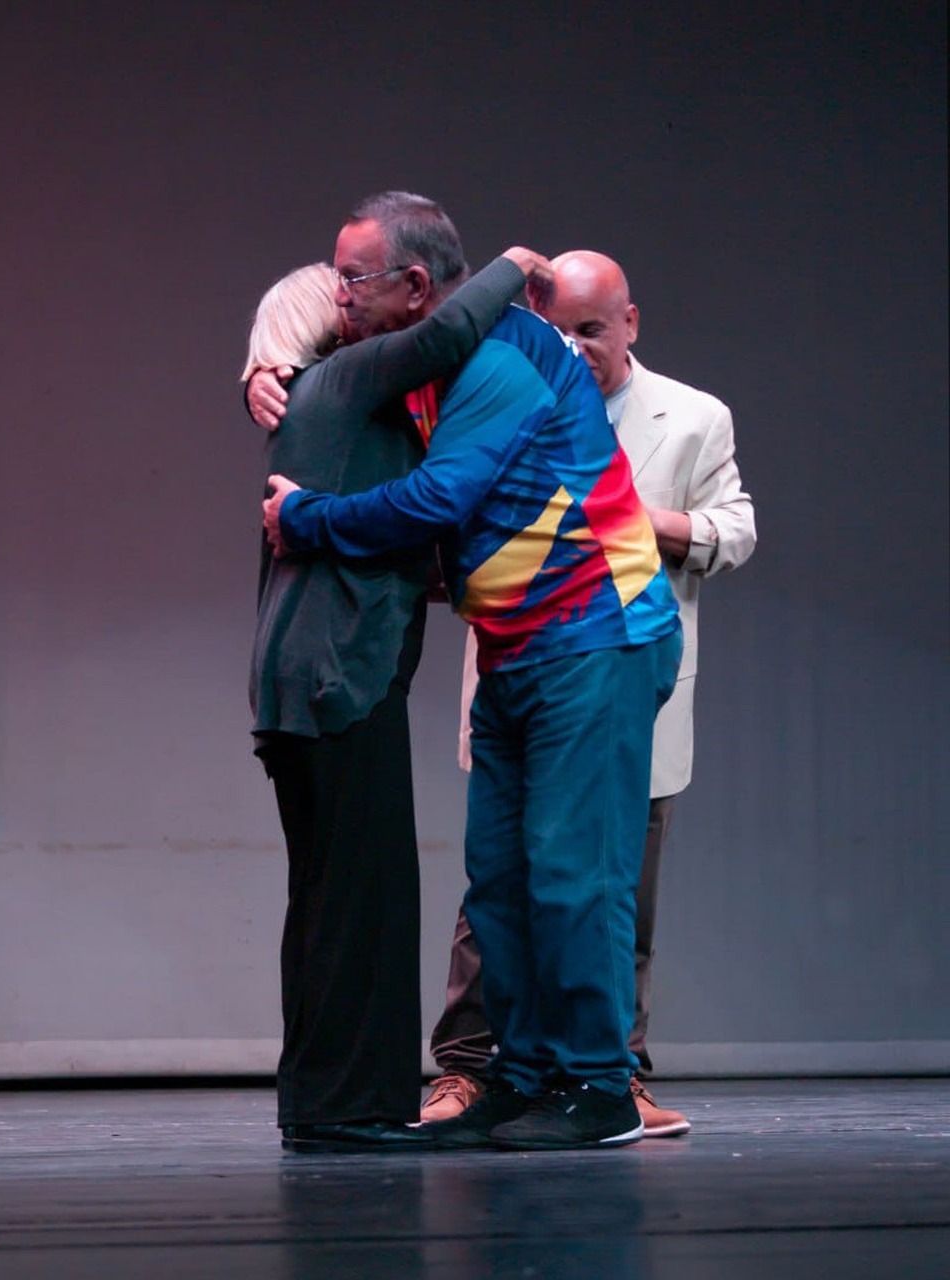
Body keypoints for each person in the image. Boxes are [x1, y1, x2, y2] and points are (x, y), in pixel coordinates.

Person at [263, 190, 683, 1152]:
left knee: (574, 872)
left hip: (598, 636)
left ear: (416, 286)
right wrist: (265, 364)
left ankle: (597, 1086)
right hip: (518, 646)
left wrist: (305, 517)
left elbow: (436, 499)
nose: (337, 293)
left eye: (353, 278)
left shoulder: (502, 357)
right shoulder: (427, 362)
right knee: (501, 877)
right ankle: (521, 1078)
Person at [422, 250, 757, 1137]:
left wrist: (634, 522)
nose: (574, 346)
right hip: (523, 665)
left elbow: (736, 529)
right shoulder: (505, 388)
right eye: (557, 328)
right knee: (503, 885)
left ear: (630, 323)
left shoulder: (690, 417)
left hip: (618, 669)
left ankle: (608, 1081)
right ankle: (489, 1071)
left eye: (592, 329)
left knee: (603, 891)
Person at [243, 221, 550, 1153]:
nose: (351, 302)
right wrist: (516, 263)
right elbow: (445, 332)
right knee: (361, 903)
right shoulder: (342, 380)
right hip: (335, 676)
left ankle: (323, 1105)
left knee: (331, 900)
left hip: (307, 677)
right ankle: (353, 1109)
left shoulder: (318, 401)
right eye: (337, 291)